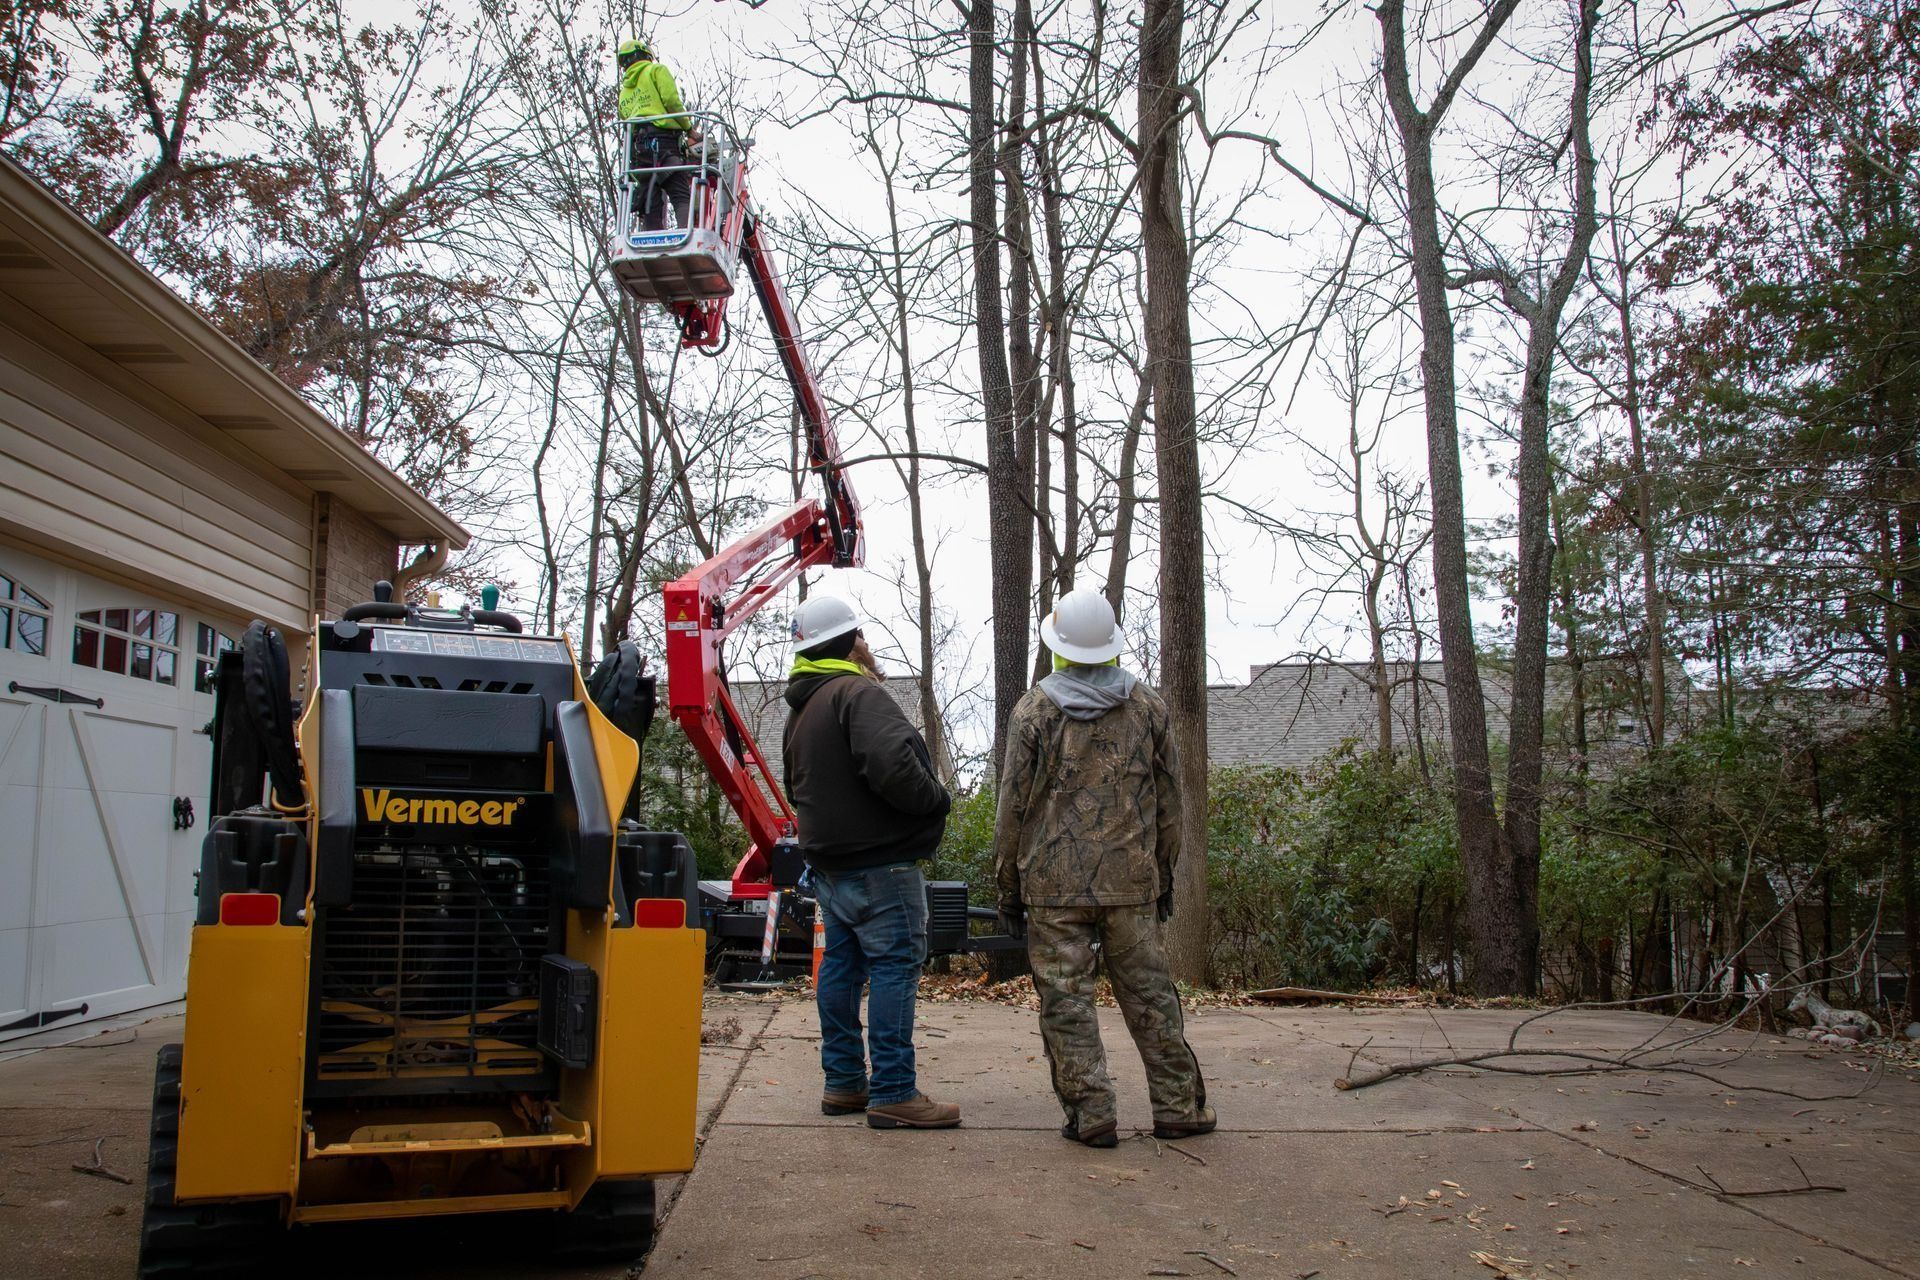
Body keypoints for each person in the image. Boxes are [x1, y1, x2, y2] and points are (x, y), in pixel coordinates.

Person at [992, 585, 1213, 1148]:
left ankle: (1092, 1114)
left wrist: (1008, 891)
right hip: (1130, 884)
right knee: (1151, 998)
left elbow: (1011, 810)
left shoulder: (1033, 711)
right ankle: (1179, 1108)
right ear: (1111, 646)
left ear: (1058, 645)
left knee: (1066, 1004)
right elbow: (1170, 806)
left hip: (1052, 887)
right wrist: (1161, 879)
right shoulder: (1149, 708)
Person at [782, 595, 960, 1130]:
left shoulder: (801, 709)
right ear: (849, 639)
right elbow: (895, 768)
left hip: (830, 870)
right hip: (882, 868)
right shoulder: (859, 693)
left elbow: (795, 786)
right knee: (893, 968)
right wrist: (937, 798)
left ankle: (843, 1083)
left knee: (839, 968)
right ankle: (894, 1091)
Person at [616, 37, 692, 235]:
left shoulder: (624, 91)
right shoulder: (656, 71)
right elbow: (671, 100)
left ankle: (652, 243)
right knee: (679, 192)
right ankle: (685, 235)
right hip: (664, 141)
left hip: (639, 149)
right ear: (647, 55)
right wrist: (689, 128)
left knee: (649, 198)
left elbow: (625, 118)